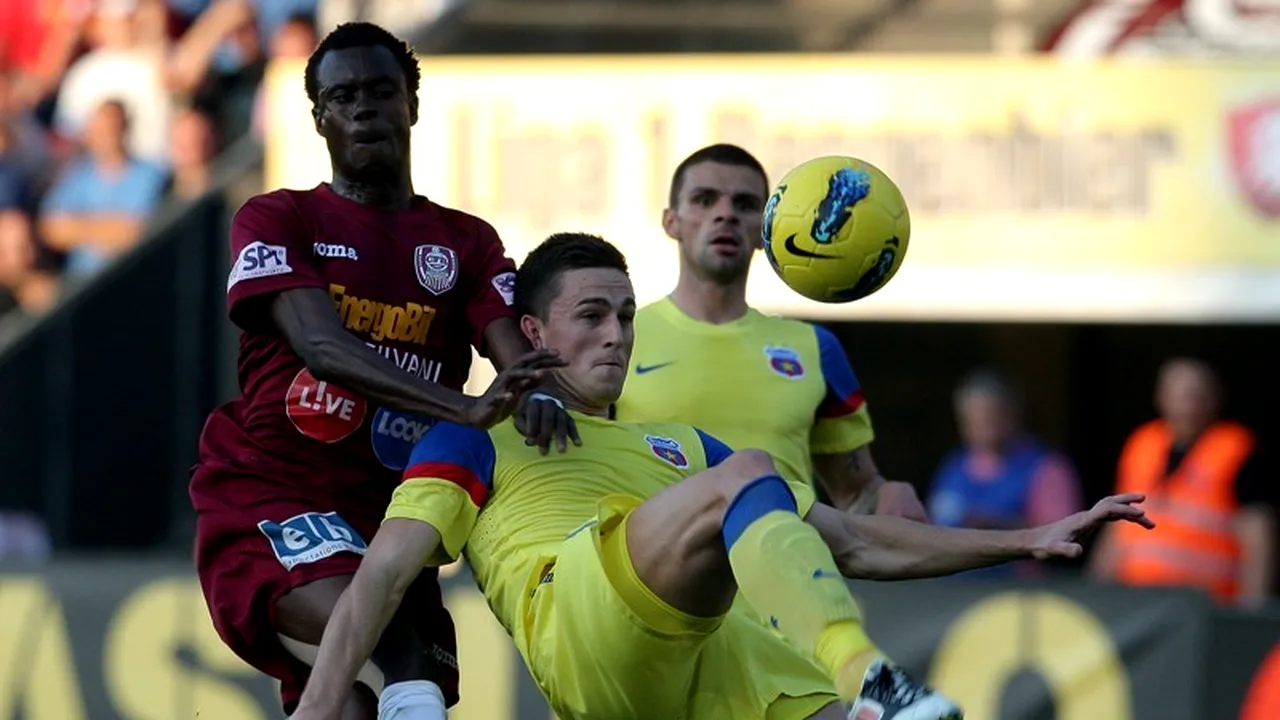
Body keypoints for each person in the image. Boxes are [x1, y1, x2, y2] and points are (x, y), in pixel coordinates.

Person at [290, 232, 1153, 720]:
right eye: (592, 316)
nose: (618, 336)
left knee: (746, 500)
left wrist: (1029, 537)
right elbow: (382, 577)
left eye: (627, 317)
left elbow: (852, 540)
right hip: (581, 621)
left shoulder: (679, 445)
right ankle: (867, 673)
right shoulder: (481, 432)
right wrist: (325, 706)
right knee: (744, 472)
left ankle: (854, 688)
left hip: (708, 658)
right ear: (532, 330)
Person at [189, 22, 576, 720]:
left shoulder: (466, 242)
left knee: (353, 706)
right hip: (276, 494)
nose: (362, 108)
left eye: (380, 91)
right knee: (401, 654)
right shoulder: (279, 217)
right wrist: (462, 408)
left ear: (412, 105)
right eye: (342, 97)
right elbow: (323, 349)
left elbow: (514, 355)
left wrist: (538, 390)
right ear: (318, 118)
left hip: (396, 519)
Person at [612, 143, 937, 707]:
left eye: (744, 204)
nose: (725, 214)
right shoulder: (618, 339)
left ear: (766, 228)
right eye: (705, 199)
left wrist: (888, 493)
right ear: (671, 220)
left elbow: (855, 494)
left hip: (787, 633)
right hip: (663, 627)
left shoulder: (813, 348)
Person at [1090, 357, 1274, 605]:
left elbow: (1257, 538)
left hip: (1207, 606)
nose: (1188, 405)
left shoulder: (1237, 450)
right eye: (1179, 394)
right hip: (1138, 602)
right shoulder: (1142, 444)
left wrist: (1250, 611)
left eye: (1196, 394)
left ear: (1215, 398)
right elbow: (1117, 525)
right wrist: (1095, 590)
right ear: (1160, 396)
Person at [928, 367, 1084, 578]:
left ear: (1011, 414)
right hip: (951, 590)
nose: (982, 426)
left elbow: (1066, 534)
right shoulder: (952, 467)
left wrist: (995, 525)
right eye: (973, 419)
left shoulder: (1046, 467)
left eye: (990, 417)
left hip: (1015, 590)